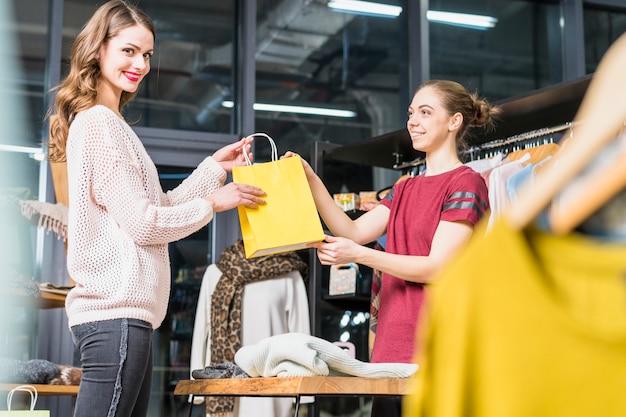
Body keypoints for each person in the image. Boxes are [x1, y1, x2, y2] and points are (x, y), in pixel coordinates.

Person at [45, 1, 265, 416]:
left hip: (125, 321)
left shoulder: (111, 124)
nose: (141, 64)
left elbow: (153, 207)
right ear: (98, 49)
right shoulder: (99, 124)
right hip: (117, 320)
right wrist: (215, 202)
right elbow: (146, 225)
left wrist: (214, 169)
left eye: (146, 54)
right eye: (128, 50)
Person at [283, 79, 499, 417]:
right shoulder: (404, 188)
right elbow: (352, 231)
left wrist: (359, 255)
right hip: (389, 355)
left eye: (425, 113)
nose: (413, 121)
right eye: (411, 113)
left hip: (440, 352)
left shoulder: (466, 183)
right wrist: (311, 180)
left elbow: (437, 266)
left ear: (454, 121)